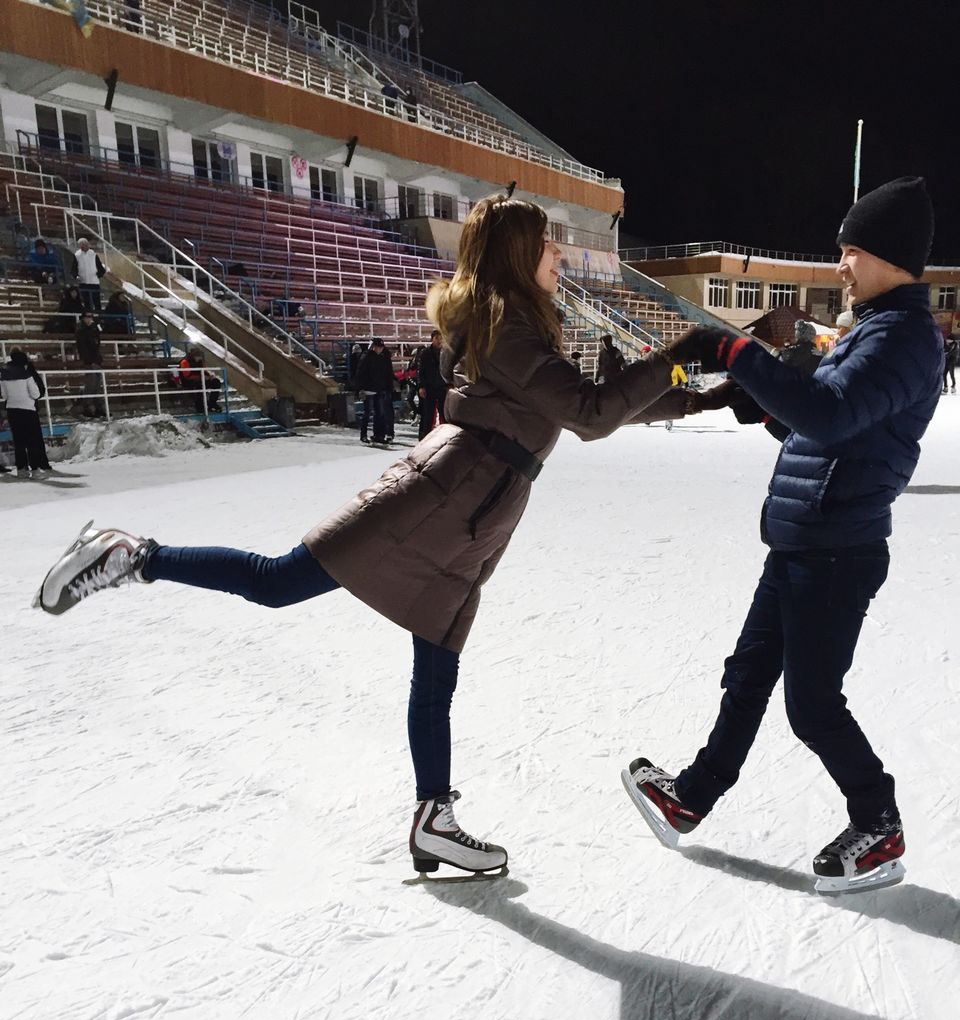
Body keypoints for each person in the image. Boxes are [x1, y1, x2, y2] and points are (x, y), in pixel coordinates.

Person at [32, 195, 696, 880]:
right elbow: (591, 414)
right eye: (548, 244)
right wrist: (684, 357)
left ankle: (433, 816)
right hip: (438, 499)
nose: (559, 256)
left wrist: (705, 395)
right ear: (519, 255)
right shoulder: (509, 328)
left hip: (474, 511)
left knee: (436, 667)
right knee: (278, 581)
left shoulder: (517, 324)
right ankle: (135, 556)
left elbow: (586, 407)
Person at [622, 176, 943, 895]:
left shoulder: (905, 338)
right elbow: (824, 426)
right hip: (803, 537)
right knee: (747, 677)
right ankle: (692, 797)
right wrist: (766, 410)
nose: (840, 266)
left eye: (850, 251)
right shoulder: (873, 331)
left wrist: (736, 354)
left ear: (885, 255)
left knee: (812, 705)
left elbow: (830, 415)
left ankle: (879, 824)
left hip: (839, 549)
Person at [1, 348, 51, 475]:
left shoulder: (4, 375)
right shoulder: (27, 374)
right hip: (28, 410)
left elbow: (4, 396)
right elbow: (35, 394)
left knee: (19, 441)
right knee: (32, 440)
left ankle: (21, 469)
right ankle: (35, 470)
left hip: (12, 410)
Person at [354, 337, 396, 444]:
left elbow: (388, 373)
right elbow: (360, 373)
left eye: (381, 347)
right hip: (368, 389)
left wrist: (388, 387)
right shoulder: (366, 357)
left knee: (380, 413)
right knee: (367, 413)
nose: (379, 349)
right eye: (377, 347)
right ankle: (363, 435)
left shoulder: (384, 357)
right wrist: (360, 388)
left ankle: (379, 435)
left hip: (379, 388)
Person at [414, 329, 449, 440]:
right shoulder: (425, 353)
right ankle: (424, 438)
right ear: (432, 339)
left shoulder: (446, 352)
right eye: (437, 338)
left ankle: (445, 438)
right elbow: (420, 371)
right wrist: (420, 386)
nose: (439, 341)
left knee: (444, 414)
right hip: (429, 388)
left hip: (442, 387)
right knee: (427, 415)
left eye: (441, 338)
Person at [74, 311, 105, 417]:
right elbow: (83, 346)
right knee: (90, 384)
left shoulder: (94, 329)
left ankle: (97, 406)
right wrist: (88, 360)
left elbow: (97, 343)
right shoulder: (81, 331)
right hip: (89, 361)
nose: (89, 319)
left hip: (96, 360)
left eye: (90, 317)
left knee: (97, 385)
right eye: (87, 317)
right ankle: (88, 406)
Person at [177, 347, 221, 414]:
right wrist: (201, 377)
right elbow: (187, 376)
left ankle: (212, 403)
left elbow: (204, 370)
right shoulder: (185, 362)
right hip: (188, 381)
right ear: (194, 356)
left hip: (200, 379)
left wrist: (209, 376)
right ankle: (200, 407)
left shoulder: (200, 362)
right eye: (198, 357)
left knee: (216, 382)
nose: (199, 359)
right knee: (199, 386)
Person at [71, 237, 106, 313]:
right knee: (87, 302)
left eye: (85, 245)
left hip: (94, 282)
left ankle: (98, 316)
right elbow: (74, 268)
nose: (84, 247)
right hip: (83, 282)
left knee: (96, 301)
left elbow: (100, 268)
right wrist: (76, 276)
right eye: (82, 245)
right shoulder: (77, 255)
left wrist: (98, 275)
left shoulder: (93, 254)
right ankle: (89, 315)